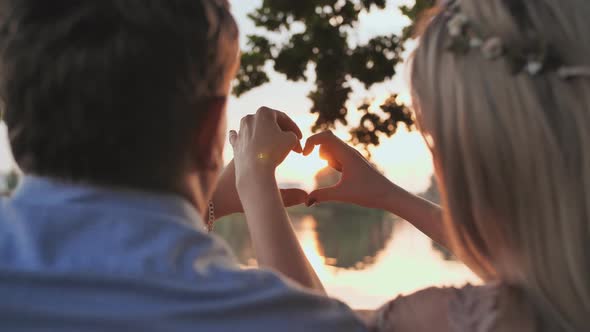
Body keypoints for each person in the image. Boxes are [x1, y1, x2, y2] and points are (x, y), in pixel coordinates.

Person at [0, 0, 366, 331]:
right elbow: (308, 322)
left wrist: (208, 204)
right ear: (209, 132)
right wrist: (255, 182)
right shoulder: (247, 311)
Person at [269, 0, 587, 331]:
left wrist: (255, 181)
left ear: (479, 163)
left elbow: (304, 322)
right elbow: (537, 256)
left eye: (436, 138)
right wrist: (388, 196)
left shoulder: (472, 320)